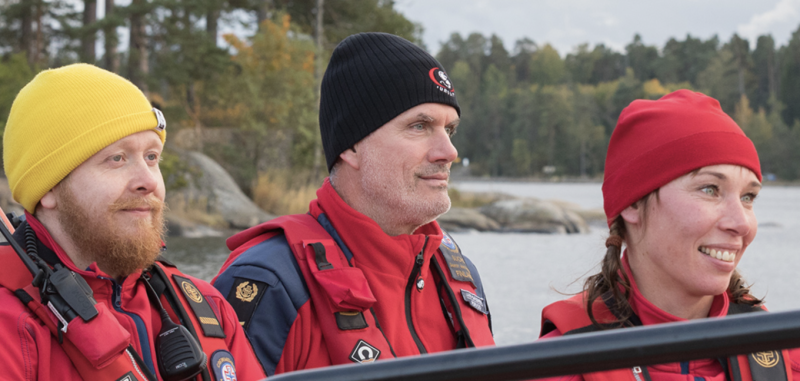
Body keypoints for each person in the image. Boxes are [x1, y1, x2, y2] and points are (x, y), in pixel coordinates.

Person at [212, 32, 495, 376]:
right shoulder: (272, 284)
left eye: (449, 129)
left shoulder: (458, 278)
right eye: (420, 126)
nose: (448, 152)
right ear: (351, 147)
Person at [0, 64, 266, 381]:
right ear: (49, 189)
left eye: (152, 157)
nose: (148, 181)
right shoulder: (10, 330)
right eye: (118, 158)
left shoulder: (209, 310)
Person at [537, 89, 800, 380]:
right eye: (710, 189)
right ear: (634, 203)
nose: (742, 224)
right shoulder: (556, 367)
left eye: (748, 197)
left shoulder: (787, 357)